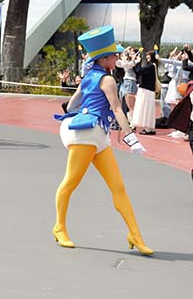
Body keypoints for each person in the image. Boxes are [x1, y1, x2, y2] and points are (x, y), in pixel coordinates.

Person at [52, 26, 152, 255]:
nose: (117, 57)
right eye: (114, 55)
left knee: (118, 187)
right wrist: (131, 137)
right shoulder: (106, 79)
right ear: (104, 58)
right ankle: (59, 227)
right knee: (70, 183)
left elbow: (72, 104)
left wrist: (83, 106)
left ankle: (135, 235)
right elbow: (117, 109)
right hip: (86, 136)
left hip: (98, 137)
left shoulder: (89, 77)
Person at [131, 50, 159, 135]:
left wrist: (137, 62)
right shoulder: (153, 66)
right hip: (149, 90)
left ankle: (148, 128)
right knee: (148, 109)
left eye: (148, 56)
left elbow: (139, 71)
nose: (147, 57)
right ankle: (149, 127)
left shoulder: (150, 66)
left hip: (146, 90)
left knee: (145, 108)